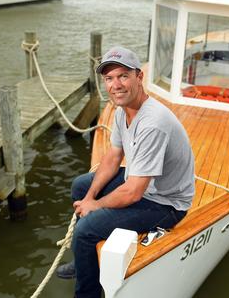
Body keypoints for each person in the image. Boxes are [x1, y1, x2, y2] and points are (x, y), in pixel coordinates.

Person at [56, 46, 195, 298]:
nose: (115, 85)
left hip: (166, 203)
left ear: (139, 77)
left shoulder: (153, 123)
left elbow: (132, 193)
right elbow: (112, 157)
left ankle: (87, 293)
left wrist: (95, 206)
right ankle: (84, 261)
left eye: (123, 76)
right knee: (81, 185)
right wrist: (90, 197)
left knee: (86, 229)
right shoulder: (123, 111)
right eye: (109, 78)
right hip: (142, 186)